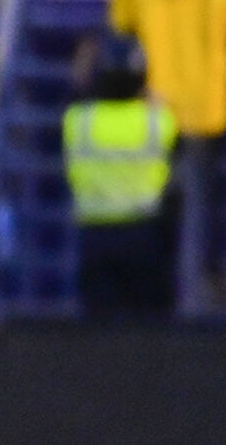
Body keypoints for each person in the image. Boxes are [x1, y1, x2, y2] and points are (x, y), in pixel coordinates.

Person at [108, 0, 226, 313]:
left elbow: (121, 28)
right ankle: (197, 298)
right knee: (200, 211)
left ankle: (157, 300)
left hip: (155, 108)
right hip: (205, 106)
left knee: (156, 211)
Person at [62, 32, 178, 317]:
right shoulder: (158, 121)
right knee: (150, 326)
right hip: (144, 232)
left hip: (96, 234)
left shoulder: (78, 121)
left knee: (98, 332)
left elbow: (77, 90)